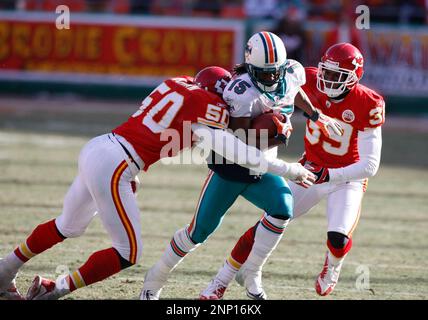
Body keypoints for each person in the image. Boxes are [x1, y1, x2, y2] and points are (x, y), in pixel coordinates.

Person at [0, 66, 314, 300]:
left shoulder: (176, 83)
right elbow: (240, 152)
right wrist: (289, 169)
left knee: (68, 225)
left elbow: (156, 125)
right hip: (117, 163)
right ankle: (55, 291)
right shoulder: (210, 108)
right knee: (128, 252)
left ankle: (6, 269)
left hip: (101, 146)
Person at [140, 32, 342, 300]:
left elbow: (294, 92)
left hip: (261, 167)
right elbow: (241, 145)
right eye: (264, 73)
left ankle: (251, 272)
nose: (271, 78)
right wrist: (273, 134)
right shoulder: (243, 91)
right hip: (231, 167)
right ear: (250, 67)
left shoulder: (292, 71)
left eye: (275, 72)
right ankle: (154, 279)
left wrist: (316, 114)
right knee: (197, 234)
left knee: (282, 210)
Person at [201, 43, 385, 299]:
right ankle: (222, 279)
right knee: (270, 220)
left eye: (337, 76)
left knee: (338, 239)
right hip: (311, 168)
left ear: (354, 77)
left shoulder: (369, 103)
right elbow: (268, 82)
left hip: (348, 177)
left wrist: (331, 175)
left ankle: (332, 267)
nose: (328, 80)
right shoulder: (305, 77)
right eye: (326, 73)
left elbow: (370, 166)